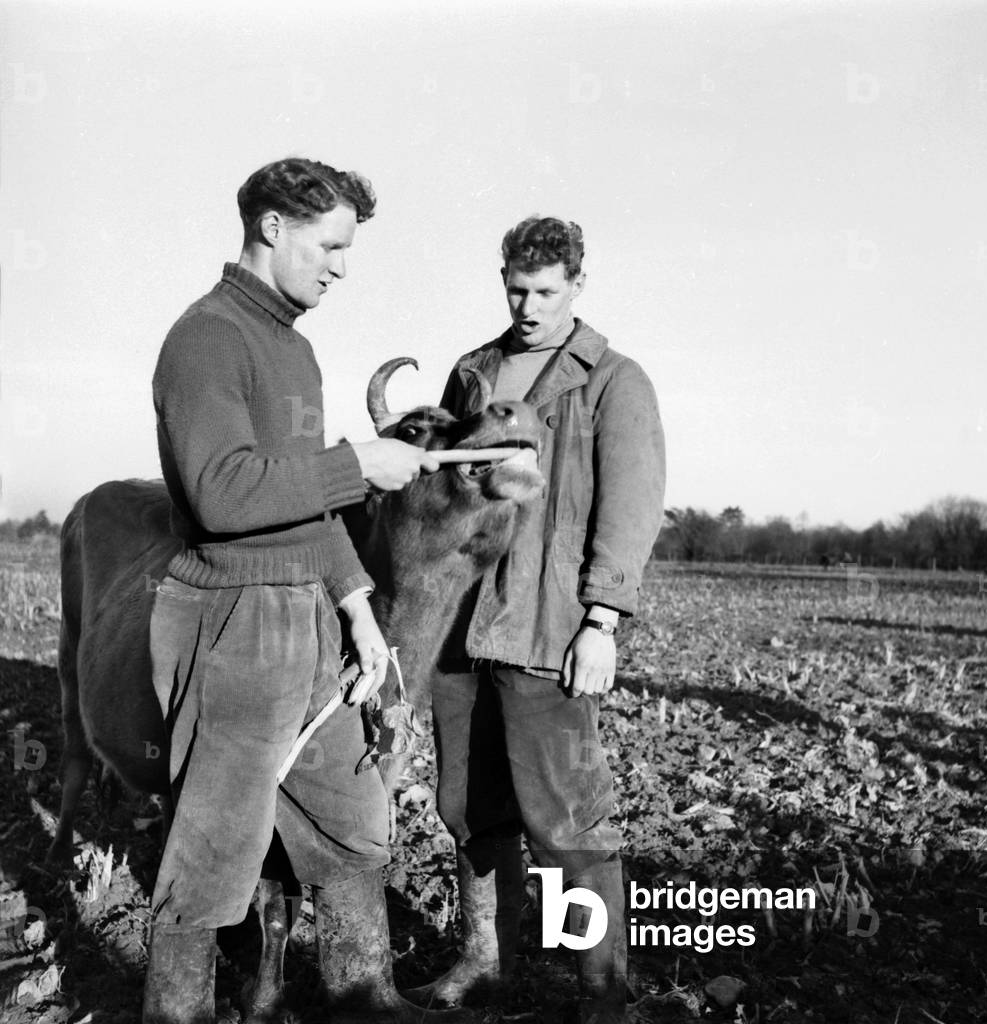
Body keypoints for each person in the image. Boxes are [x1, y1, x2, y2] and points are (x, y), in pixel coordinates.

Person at [145, 157, 457, 1024]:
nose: (340, 267)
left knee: (353, 821)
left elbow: (311, 508)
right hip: (233, 622)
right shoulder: (206, 338)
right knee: (211, 854)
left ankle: (365, 996)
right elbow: (222, 491)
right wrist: (358, 463)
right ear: (272, 226)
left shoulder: (295, 348)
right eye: (330, 245)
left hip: (311, 621)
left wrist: (357, 607)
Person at [407, 216, 665, 1023]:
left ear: (577, 286)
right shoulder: (472, 373)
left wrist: (602, 621)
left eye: (546, 292)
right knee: (468, 805)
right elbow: (442, 493)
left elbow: (630, 509)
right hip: (458, 628)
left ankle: (602, 996)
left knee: (565, 818)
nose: (528, 305)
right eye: (517, 289)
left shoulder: (614, 381)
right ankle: (485, 964)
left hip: (546, 629)